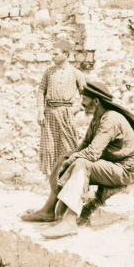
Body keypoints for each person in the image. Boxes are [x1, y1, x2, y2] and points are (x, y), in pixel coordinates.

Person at [22, 81, 134, 239]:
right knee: (66, 157)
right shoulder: (98, 118)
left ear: (96, 101)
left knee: (81, 164)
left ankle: (70, 221)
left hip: (126, 169)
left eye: (84, 99)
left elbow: (92, 154)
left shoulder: (111, 119)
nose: (82, 103)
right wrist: (67, 158)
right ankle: (49, 210)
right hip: (112, 164)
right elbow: (84, 146)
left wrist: (73, 160)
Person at [37, 39, 86, 176]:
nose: (53, 57)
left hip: (66, 113)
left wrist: (77, 109)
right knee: (49, 146)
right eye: (52, 54)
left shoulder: (76, 73)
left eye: (56, 54)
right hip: (49, 113)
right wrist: (40, 112)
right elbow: (41, 91)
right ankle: (51, 178)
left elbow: (86, 95)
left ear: (66, 55)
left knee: (68, 144)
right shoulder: (48, 72)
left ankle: (69, 175)